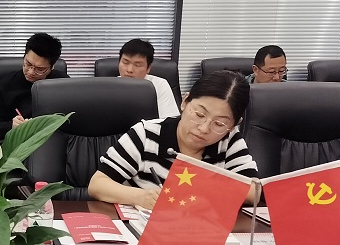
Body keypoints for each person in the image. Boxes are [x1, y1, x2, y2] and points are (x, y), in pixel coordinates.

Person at [87, 70, 258, 208]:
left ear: (234, 125)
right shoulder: (146, 133)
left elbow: (254, 192)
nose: (204, 128)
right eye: (199, 114)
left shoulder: (229, 141)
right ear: (184, 102)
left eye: (219, 124)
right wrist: (140, 197)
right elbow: (97, 185)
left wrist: (200, 192)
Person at [0, 32, 64, 141]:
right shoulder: (6, 85)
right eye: (28, 64)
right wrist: (11, 126)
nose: (31, 72)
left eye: (39, 69)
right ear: (24, 57)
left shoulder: (62, 84)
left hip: (52, 141)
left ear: (52, 67)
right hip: (18, 143)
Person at [115, 38, 178, 118]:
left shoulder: (160, 85)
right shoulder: (110, 86)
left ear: (148, 68)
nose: (129, 70)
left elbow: (168, 120)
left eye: (137, 65)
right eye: (125, 62)